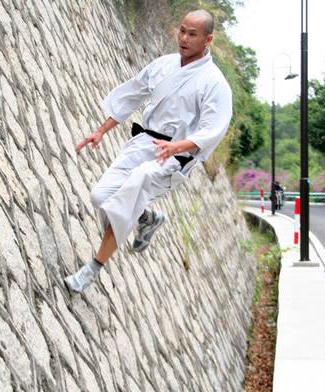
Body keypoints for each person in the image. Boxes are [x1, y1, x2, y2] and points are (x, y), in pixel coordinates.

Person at [64, 9, 233, 293]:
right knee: (100, 196)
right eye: (182, 30)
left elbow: (210, 130)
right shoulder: (164, 65)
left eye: (193, 34)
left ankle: (92, 270)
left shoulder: (215, 84)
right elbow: (132, 94)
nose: (184, 38)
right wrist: (101, 131)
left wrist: (177, 145)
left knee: (130, 194)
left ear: (208, 40)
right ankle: (147, 218)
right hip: (144, 142)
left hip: (173, 157)